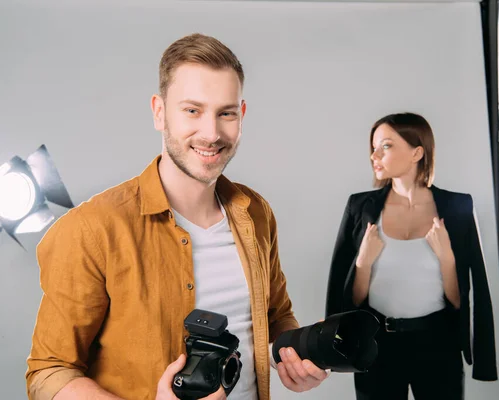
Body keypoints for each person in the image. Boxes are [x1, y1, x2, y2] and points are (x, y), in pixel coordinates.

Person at [25, 33, 328, 400]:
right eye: (192, 110)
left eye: (226, 113)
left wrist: (298, 356)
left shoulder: (256, 213)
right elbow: (49, 373)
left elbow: (276, 316)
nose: (212, 133)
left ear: (241, 115)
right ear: (158, 112)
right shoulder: (92, 229)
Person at [325, 113, 497, 399]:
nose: (374, 155)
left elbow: (460, 300)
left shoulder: (457, 207)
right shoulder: (360, 207)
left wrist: (447, 259)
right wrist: (363, 263)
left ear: (417, 152)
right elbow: (350, 300)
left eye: (386, 146)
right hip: (376, 346)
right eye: (374, 146)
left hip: (438, 344)